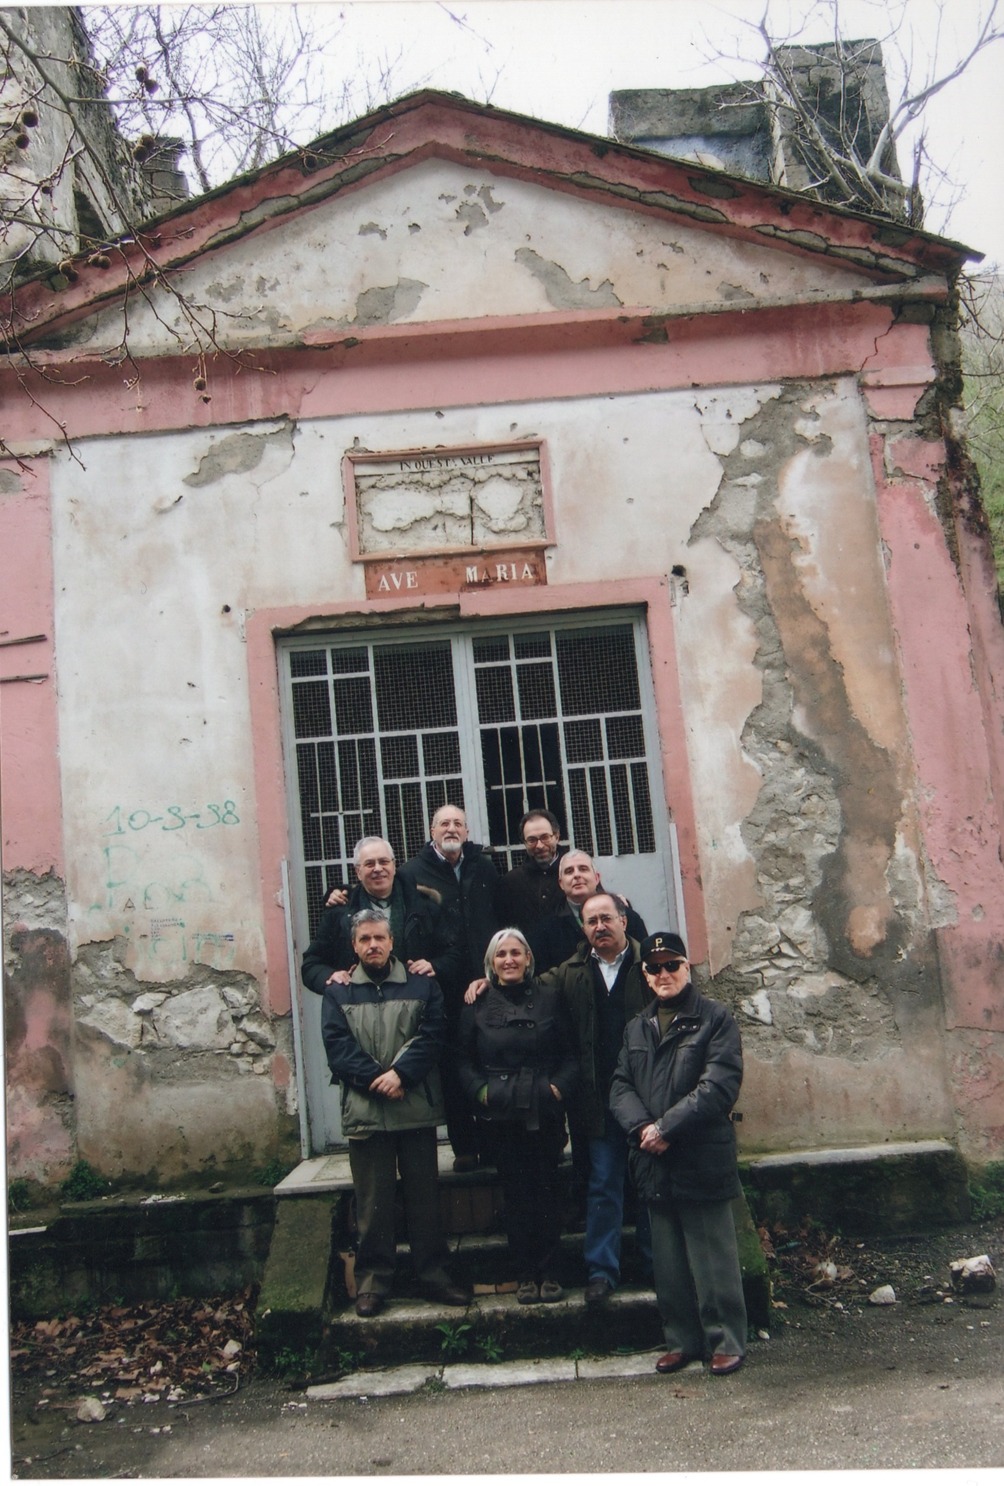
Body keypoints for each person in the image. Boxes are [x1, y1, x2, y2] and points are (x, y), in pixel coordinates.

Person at [320, 908, 471, 1317]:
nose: (373, 945)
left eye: (379, 938)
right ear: (354, 945)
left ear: (392, 942)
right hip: (366, 1111)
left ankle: (434, 1277)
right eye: (364, 939)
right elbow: (338, 1047)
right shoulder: (338, 991)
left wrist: (401, 1074)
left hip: (414, 1106)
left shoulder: (423, 985)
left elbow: (433, 1034)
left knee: (425, 1200)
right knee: (372, 1204)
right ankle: (373, 1283)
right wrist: (377, 1078)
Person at [610, 931, 747, 1376]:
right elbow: (620, 1086)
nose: (663, 974)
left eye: (672, 965)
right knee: (668, 1262)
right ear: (646, 976)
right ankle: (681, 1341)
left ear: (687, 968)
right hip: (653, 1158)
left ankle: (725, 1340)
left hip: (698, 1153)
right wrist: (643, 1129)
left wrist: (667, 1128)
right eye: (654, 968)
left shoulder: (714, 1019)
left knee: (712, 1257)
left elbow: (719, 1084)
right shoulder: (637, 1026)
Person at [456, 928, 578, 1304]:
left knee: (547, 1190)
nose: (508, 960)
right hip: (501, 1113)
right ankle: (525, 1273)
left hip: (543, 1107)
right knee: (515, 1193)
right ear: (491, 963)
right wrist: (483, 1093)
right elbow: (462, 1060)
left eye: (515, 953)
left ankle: (551, 1270)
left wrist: (556, 1089)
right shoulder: (477, 1002)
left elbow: (571, 1054)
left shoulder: (550, 998)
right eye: (500, 954)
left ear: (528, 958)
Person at [539, 892, 650, 1304]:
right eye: (591, 922)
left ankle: (660, 1265)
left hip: (647, 1099)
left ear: (624, 920)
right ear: (583, 929)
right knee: (604, 1184)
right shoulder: (571, 971)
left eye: (606, 918)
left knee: (650, 1185)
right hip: (600, 1101)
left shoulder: (651, 966)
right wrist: (485, 980)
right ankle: (602, 1271)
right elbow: (523, 983)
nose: (599, 927)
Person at [400, 805, 501, 1170]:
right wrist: (336, 894)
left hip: (486, 981)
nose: (452, 828)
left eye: (459, 822)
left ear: (467, 829)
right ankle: (465, 1147)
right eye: (444, 823)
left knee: (489, 1059)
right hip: (442, 985)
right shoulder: (411, 873)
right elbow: (383, 902)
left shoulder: (484, 867)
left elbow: (501, 914)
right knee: (453, 1065)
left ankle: (493, 1145)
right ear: (432, 830)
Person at [301, 836, 460, 995]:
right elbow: (311, 965)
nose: (378, 869)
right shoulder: (339, 913)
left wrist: (434, 966)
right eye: (369, 864)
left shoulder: (424, 908)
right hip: (358, 1008)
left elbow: (455, 955)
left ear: (394, 865)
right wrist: (330, 977)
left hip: (416, 1007)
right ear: (358, 872)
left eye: (384, 862)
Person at [528, 849, 648, 975]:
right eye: (569, 871)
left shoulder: (626, 916)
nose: (577, 875)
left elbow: (646, 961)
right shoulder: (547, 928)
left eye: (583, 869)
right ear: (561, 883)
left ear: (597, 878)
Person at [494, 809, 567, 935]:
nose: (539, 845)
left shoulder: (576, 874)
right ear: (524, 843)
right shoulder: (511, 882)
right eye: (532, 840)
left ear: (557, 836)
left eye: (545, 837)